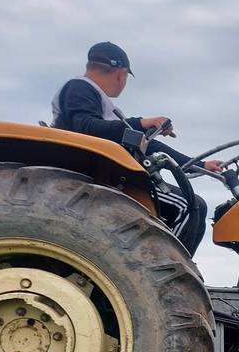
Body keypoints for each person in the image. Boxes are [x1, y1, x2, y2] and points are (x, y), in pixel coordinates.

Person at [50, 42, 220, 255]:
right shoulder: (80, 87)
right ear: (121, 74)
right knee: (189, 206)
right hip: (100, 176)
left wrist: (200, 165)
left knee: (191, 205)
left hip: (104, 174)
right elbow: (85, 127)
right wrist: (140, 124)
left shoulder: (94, 99)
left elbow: (148, 145)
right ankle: (168, 272)